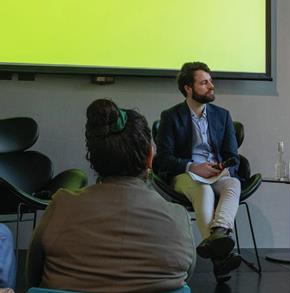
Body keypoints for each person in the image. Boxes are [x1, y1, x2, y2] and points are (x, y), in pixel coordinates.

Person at [26, 99, 195, 292]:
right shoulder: (178, 217)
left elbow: (32, 277)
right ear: (150, 157)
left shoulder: (60, 206)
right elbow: (186, 275)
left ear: (94, 158)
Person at [153, 61, 242, 283]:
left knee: (234, 184)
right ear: (188, 88)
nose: (211, 86)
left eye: (211, 81)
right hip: (186, 175)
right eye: (204, 83)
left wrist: (220, 168)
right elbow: (163, 158)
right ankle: (221, 254)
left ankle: (220, 232)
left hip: (216, 174)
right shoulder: (171, 116)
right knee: (204, 191)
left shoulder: (222, 115)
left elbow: (233, 155)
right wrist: (192, 166)